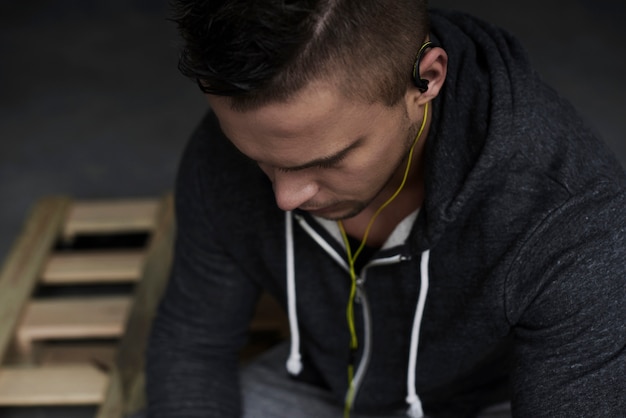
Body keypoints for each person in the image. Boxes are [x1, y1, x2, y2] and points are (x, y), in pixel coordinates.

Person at [146, 1, 626, 417]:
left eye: (327, 160)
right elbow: (194, 344)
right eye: (260, 160)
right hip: (322, 388)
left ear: (427, 79)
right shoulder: (221, 152)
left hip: (506, 399)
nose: (285, 198)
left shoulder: (571, 216)